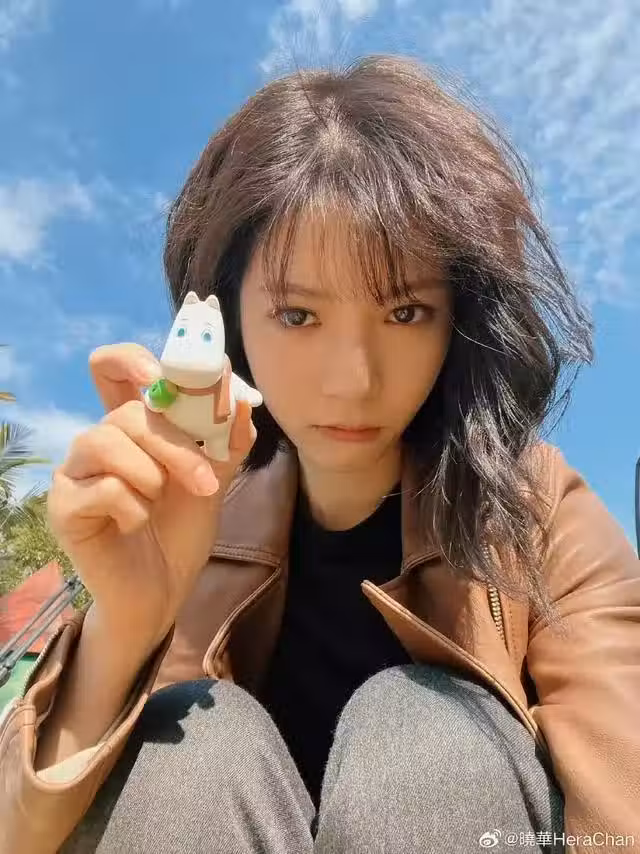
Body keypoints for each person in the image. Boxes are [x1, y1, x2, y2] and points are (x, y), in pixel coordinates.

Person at [1, 54, 638, 854]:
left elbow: (622, 789)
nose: (353, 381)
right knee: (189, 742)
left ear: (460, 321)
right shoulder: (187, 507)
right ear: (229, 319)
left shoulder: (535, 507)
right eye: (298, 316)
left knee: (426, 731)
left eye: (405, 312)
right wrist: (127, 624)